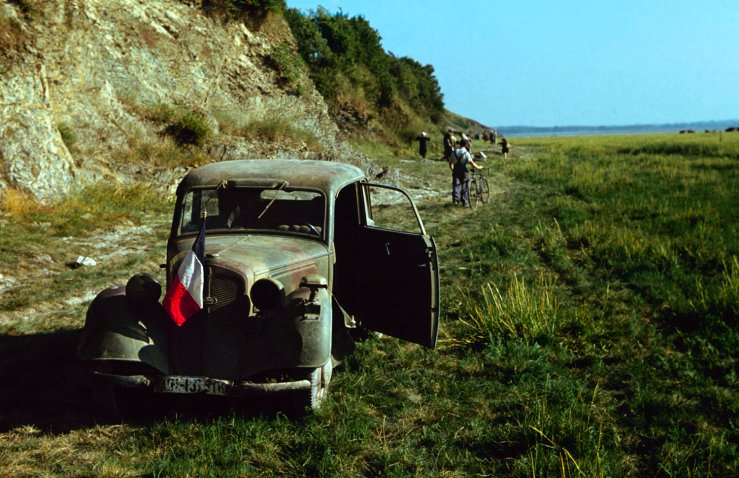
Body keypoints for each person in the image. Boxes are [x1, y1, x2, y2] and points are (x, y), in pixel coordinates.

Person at [449, 137, 482, 206]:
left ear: (460, 144)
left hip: (456, 169)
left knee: (456, 185)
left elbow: (450, 163)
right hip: (463, 170)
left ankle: (456, 200)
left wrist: (453, 169)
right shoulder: (466, 153)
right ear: (465, 145)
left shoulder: (454, 152)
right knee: (465, 185)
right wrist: (479, 167)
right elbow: (472, 163)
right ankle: (465, 201)